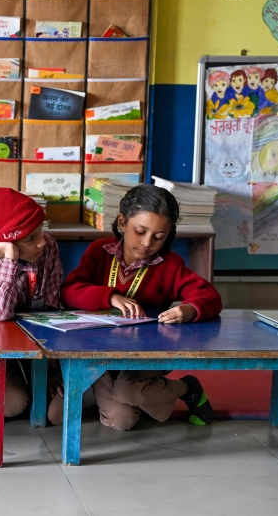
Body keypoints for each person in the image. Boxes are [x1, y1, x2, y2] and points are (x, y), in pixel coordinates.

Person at [62, 184, 220, 430]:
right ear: (123, 222)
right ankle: (140, 397)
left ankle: (187, 387)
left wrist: (189, 309)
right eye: (140, 231)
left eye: (158, 237)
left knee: (129, 389)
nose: (147, 243)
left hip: (145, 354)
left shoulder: (170, 265)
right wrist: (111, 297)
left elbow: (209, 296)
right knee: (121, 420)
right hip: (98, 355)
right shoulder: (99, 252)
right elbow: (69, 291)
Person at [0, 188, 65, 424]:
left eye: (41, 232)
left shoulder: (47, 249)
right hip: (1, 354)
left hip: (41, 352)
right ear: (0, 244)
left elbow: (51, 311)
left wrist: (53, 371)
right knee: (13, 405)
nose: (41, 242)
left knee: (58, 414)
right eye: (30, 239)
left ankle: (37, 384)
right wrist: (10, 259)